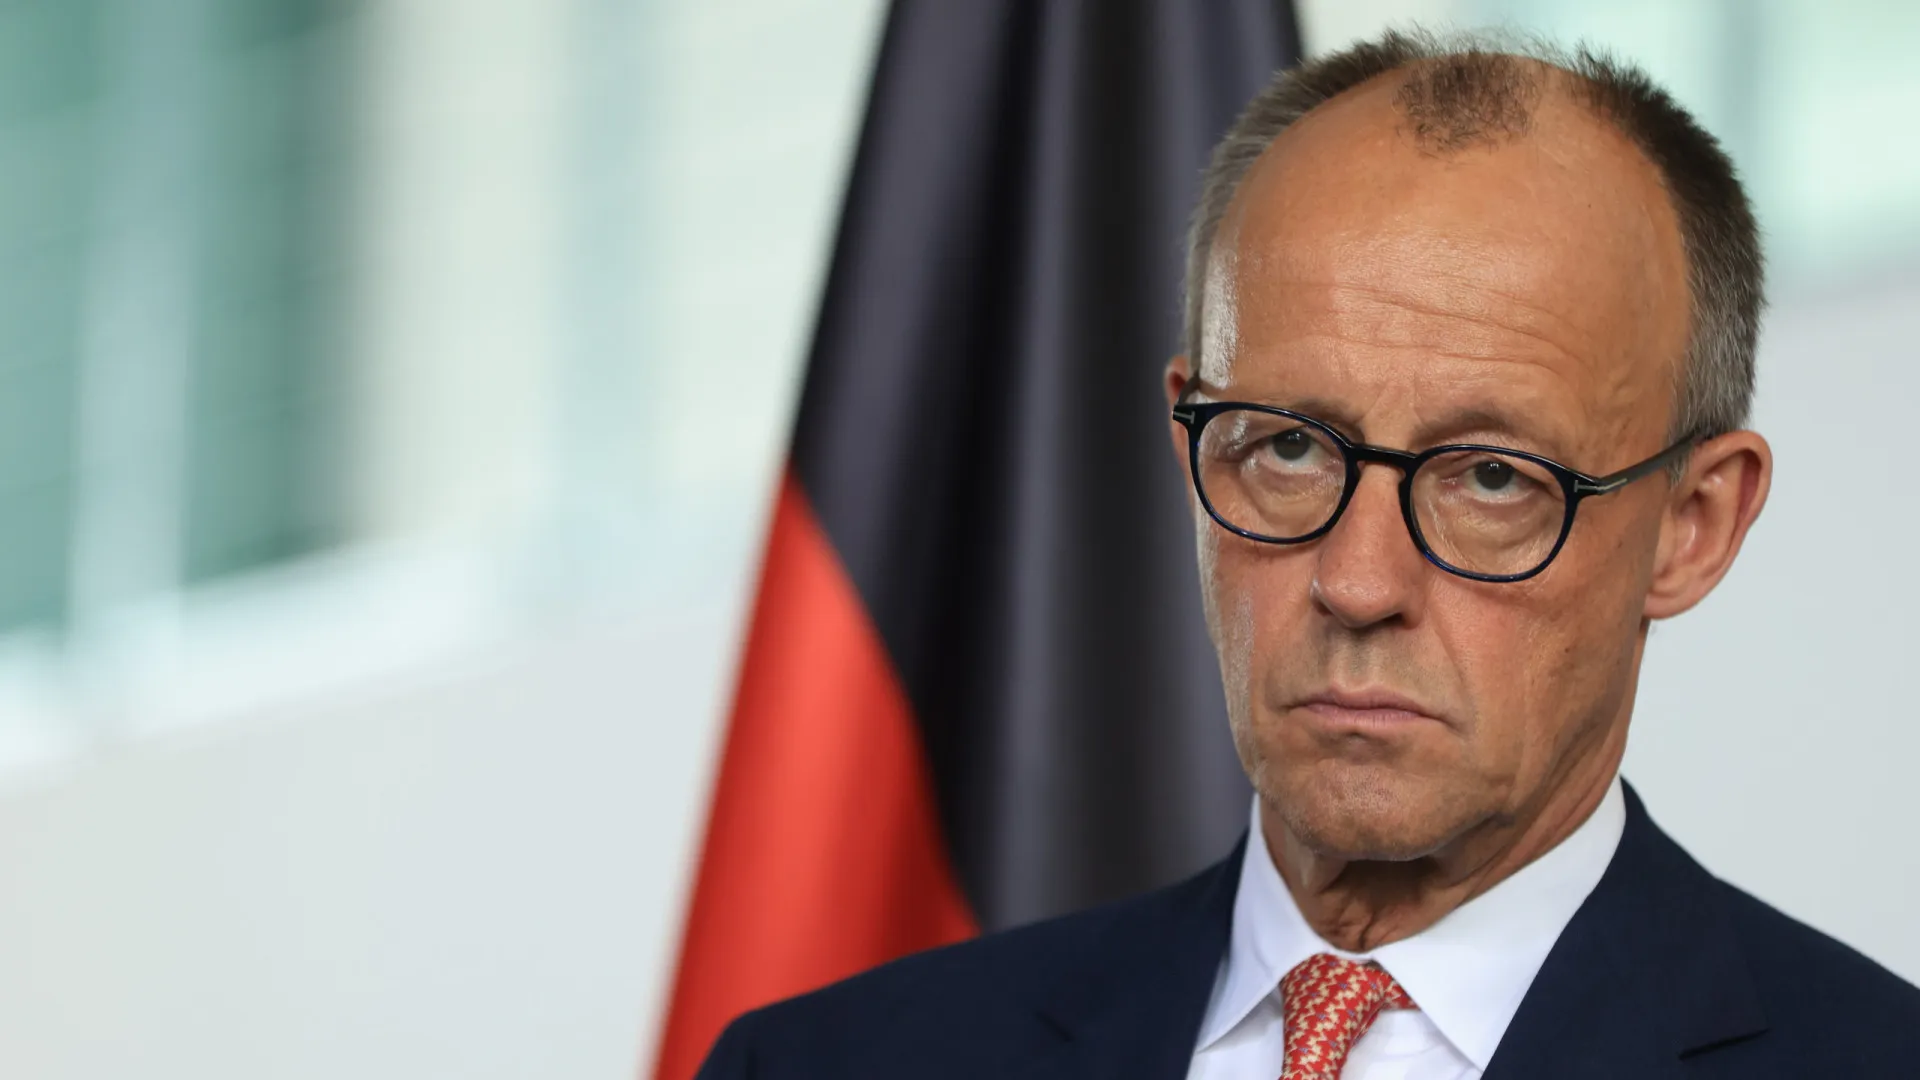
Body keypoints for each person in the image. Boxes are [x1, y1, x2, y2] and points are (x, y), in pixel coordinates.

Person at [695, 29, 1920, 1079]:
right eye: (1286, 449)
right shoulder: (823, 1064)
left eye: (1492, 477)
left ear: (1693, 525)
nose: (1357, 584)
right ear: (1191, 442)